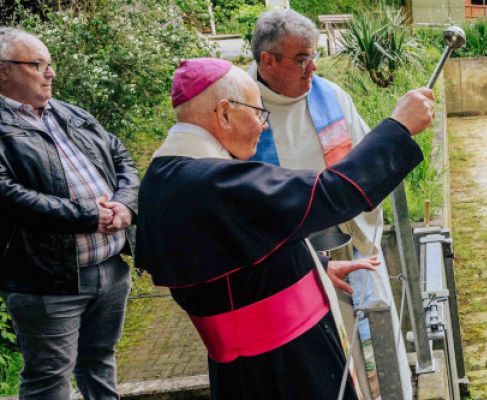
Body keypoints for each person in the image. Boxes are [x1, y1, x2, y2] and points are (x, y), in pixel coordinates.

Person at [135, 57, 433, 399]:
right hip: (283, 370)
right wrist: (399, 127)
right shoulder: (211, 182)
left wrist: (315, 270)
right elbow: (331, 192)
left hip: (259, 366)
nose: (263, 126)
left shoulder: (165, 178)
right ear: (224, 112)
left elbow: (232, 262)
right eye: (259, 112)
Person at [247, 8, 405, 365]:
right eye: (302, 58)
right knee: (324, 363)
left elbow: (368, 162)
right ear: (268, 61)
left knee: (378, 355)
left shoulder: (329, 96)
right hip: (288, 266)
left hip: (353, 244)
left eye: (313, 55)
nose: (313, 68)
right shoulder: (241, 108)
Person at [0, 28, 139, 400]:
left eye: (50, 64)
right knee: (49, 379)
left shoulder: (69, 113)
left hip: (110, 269)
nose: (51, 73)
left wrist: (126, 203)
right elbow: (8, 195)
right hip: (46, 280)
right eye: (38, 65)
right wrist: (86, 215)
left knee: (99, 361)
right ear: (3, 70)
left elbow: (121, 156)